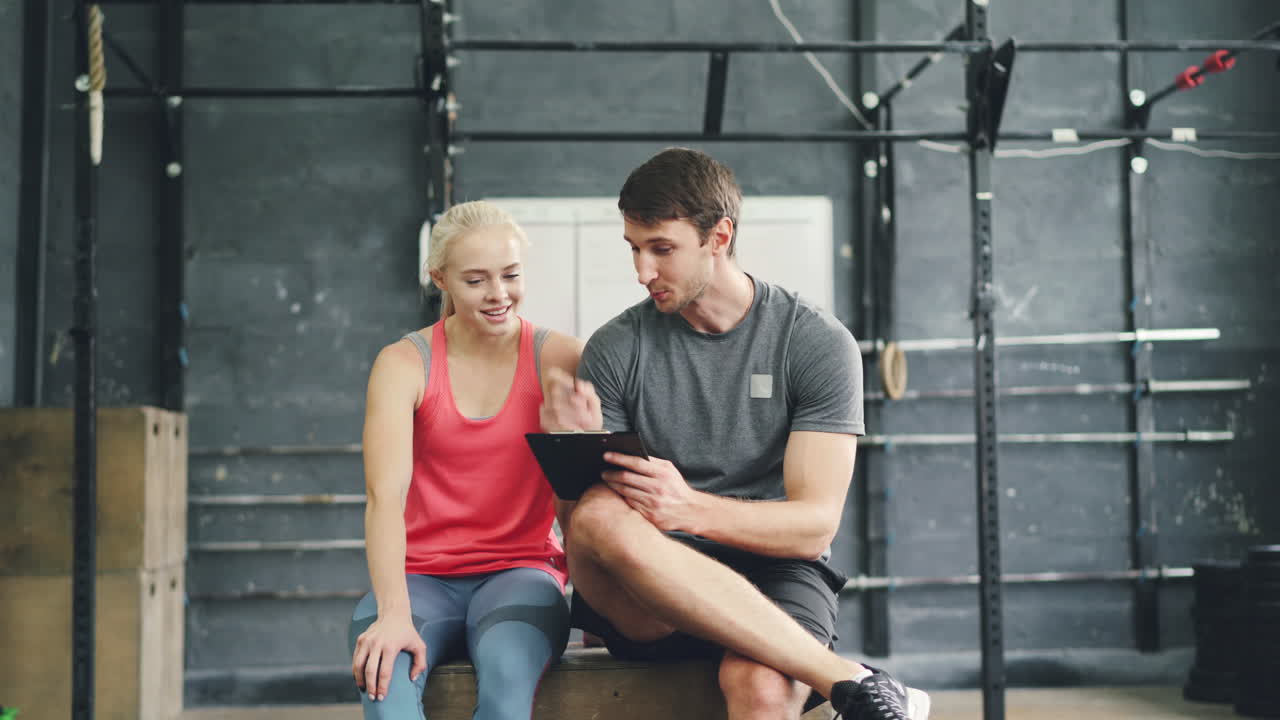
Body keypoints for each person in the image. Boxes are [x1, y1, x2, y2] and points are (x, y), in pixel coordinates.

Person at [540, 148, 930, 720]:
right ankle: (851, 683)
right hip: (654, 580)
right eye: (634, 249)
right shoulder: (616, 348)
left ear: (719, 236)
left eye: (662, 249)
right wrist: (566, 460)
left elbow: (813, 527)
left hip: (776, 569)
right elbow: (584, 533)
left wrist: (688, 507)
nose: (643, 271)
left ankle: (838, 681)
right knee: (598, 512)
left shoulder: (815, 343)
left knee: (764, 688)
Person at [349, 200, 581, 720]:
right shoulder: (404, 363)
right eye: (476, 281)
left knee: (505, 690)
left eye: (511, 275)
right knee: (387, 689)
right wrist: (392, 613)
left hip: (521, 570)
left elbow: (583, 493)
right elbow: (384, 499)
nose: (499, 295)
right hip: (417, 577)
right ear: (441, 279)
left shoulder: (559, 357)